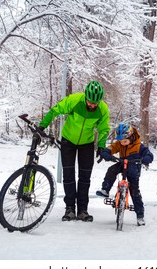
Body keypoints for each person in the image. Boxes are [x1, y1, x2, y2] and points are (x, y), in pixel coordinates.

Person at [39, 80, 110, 222]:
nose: (92, 105)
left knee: (85, 178)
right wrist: (42, 126)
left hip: (87, 143)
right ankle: (70, 208)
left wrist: (101, 145)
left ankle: (83, 210)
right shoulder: (74, 100)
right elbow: (55, 110)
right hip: (68, 141)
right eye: (90, 102)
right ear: (86, 97)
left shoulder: (103, 109)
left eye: (95, 103)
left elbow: (103, 129)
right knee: (68, 175)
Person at [96, 122, 153, 226]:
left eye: (125, 141)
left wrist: (146, 159)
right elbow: (111, 148)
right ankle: (105, 189)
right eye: (120, 141)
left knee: (134, 191)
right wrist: (106, 153)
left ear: (131, 136)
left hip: (134, 167)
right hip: (122, 163)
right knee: (111, 170)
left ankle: (140, 215)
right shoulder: (119, 144)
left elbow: (148, 154)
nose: (122, 143)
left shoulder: (139, 146)